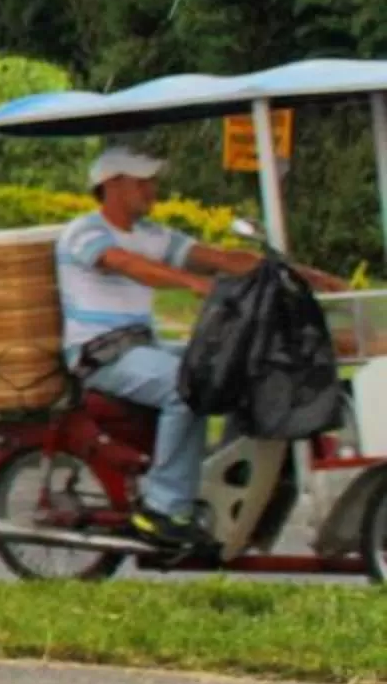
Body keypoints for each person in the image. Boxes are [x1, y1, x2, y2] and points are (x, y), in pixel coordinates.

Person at [59, 146, 343, 554]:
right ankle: (163, 508)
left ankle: (232, 482)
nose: (152, 189)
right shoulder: (85, 232)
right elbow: (126, 264)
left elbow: (221, 258)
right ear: (112, 185)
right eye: (143, 182)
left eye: (152, 181)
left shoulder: (153, 234)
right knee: (186, 387)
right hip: (100, 353)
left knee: (241, 368)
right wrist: (191, 284)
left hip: (144, 344)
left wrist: (300, 275)